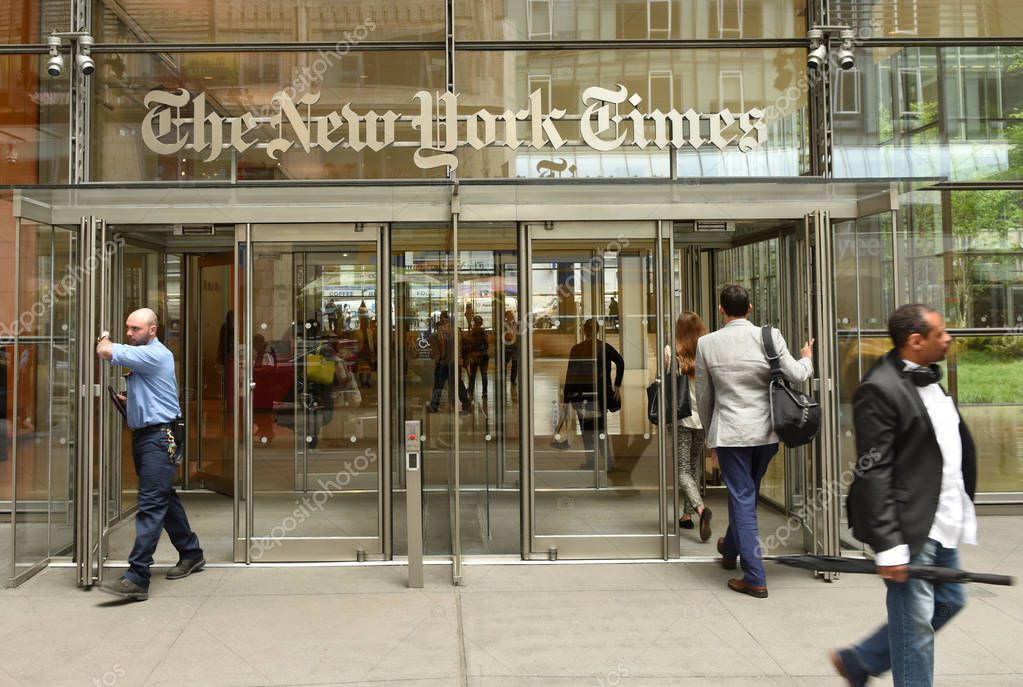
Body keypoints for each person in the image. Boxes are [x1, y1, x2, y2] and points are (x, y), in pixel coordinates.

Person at [830, 304, 977, 687]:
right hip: (908, 528)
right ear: (916, 341)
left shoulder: (929, 376)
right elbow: (873, 470)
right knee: (915, 633)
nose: (948, 339)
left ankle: (861, 660)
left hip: (939, 519)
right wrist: (890, 546)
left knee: (952, 601)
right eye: (941, 333)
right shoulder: (879, 389)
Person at [695, 285, 813, 598]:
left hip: (731, 433)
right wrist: (807, 358)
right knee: (746, 495)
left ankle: (755, 576)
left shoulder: (707, 344)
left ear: (721, 310)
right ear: (749, 309)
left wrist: (710, 436)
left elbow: (704, 397)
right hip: (766, 432)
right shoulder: (769, 337)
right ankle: (730, 549)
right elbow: (799, 375)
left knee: (743, 498)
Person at [96, 308, 204, 601]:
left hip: (159, 438)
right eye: (127, 329)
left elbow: (104, 351)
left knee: (151, 503)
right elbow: (153, 392)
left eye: (135, 329)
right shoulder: (146, 355)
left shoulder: (155, 354)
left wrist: (104, 335)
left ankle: (137, 575)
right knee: (162, 496)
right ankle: (191, 553)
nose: (129, 334)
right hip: (148, 436)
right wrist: (132, 401)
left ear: (152, 330)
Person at [664, 311, 711, 542]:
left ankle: (700, 510)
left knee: (682, 470)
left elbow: (666, 384)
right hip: (701, 418)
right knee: (693, 466)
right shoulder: (706, 352)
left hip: (681, 418)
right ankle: (686, 515)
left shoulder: (671, 352)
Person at [563, 317, 624, 471]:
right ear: (597, 331)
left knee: (586, 430)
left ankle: (591, 461)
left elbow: (570, 375)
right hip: (600, 395)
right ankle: (608, 462)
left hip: (581, 396)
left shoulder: (576, 349)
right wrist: (617, 385)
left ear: (584, 331)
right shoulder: (604, 347)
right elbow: (620, 362)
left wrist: (567, 399)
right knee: (601, 429)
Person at [427, 311, 470, 414]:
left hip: (445, 362)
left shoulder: (442, 329)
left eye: (441, 317)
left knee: (439, 384)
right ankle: (466, 405)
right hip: (456, 360)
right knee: (458, 383)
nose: (440, 320)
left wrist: (441, 357)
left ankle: (434, 405)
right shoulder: (457, 330)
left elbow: (442, 344)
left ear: (444, 319)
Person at [465, 315, 490, 397]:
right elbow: (487, 344)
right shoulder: (484, 332)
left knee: (472, 375)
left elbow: (468, 344)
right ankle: (485, 392)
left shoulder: (472, 332)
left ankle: (471, 390)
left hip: (474, 356)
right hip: (483, 355)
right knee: (484, 374)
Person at [503, 309, 519, 385]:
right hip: (507, 346)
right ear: (506, 316)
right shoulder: (504, 325)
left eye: (512, 314)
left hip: (515, 346)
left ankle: (513, 379)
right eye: (510, 314)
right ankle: (504, 379)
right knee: (505, 363)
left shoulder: (516, 324)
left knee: (515, 364)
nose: (512, 315)